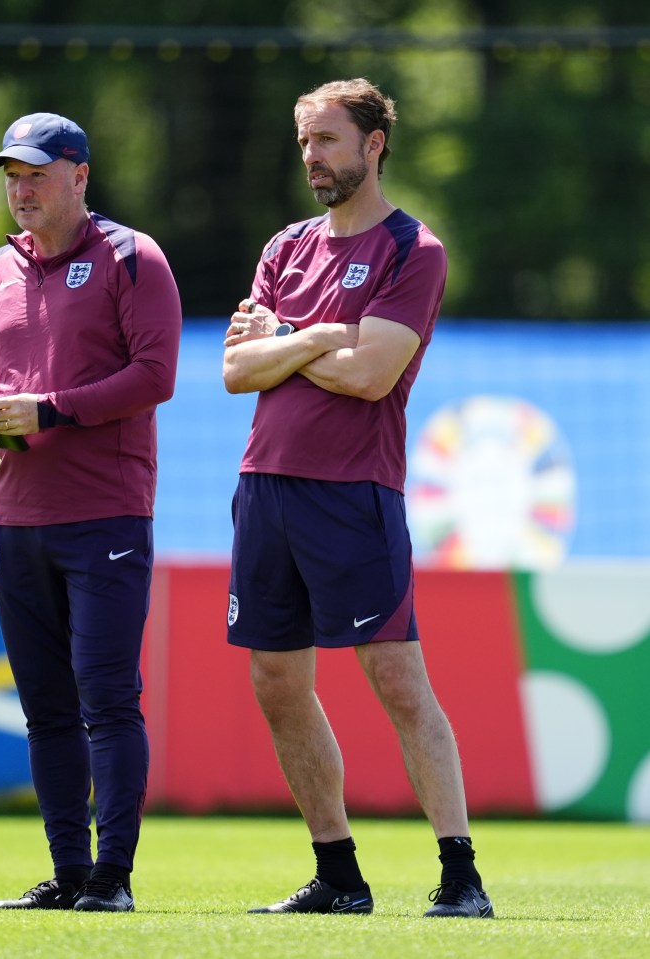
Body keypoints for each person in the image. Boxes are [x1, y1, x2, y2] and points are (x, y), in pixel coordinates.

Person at [222, 78, 492, 919]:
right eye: (304, 141)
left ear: (372, 146)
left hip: (353, 493)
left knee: (396, 680)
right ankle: (337, 873)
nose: (312, 157)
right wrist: (318, 338)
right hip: (264, 484)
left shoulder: (415, 249)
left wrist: (281, 344)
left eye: (327, 141)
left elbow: (372, 377)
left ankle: (459, 874)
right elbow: (235, 371)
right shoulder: (283, 247)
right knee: (275, 680)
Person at [0, 112, 182, 913]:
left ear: (81, 176)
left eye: (36, 173)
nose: (21, 189)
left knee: (107, 699)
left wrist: (53, 411)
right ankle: (70, 872)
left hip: (105, 514)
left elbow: (154, 375)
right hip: (15, 516)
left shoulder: (131, 256)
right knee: (45, 707)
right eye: (11, 175)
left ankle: (112, 876)